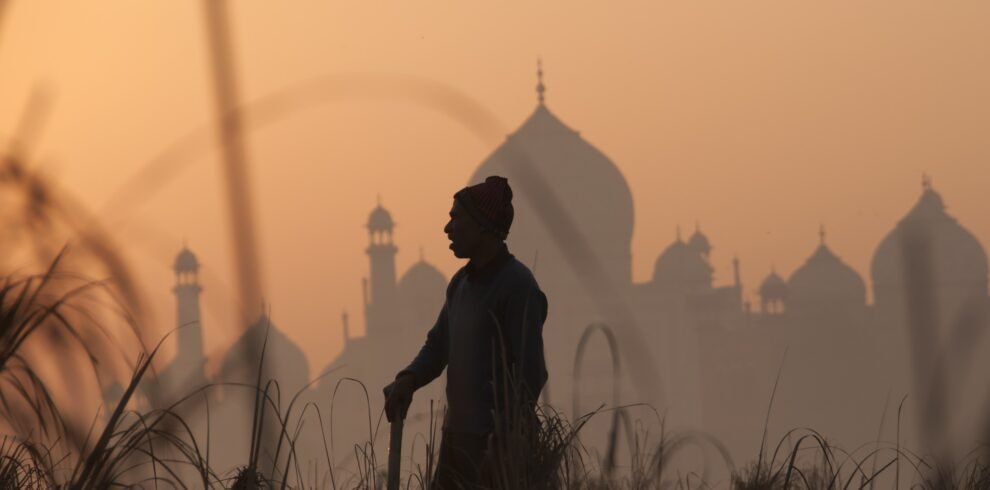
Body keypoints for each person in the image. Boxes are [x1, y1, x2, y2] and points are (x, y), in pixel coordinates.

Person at [383, 175, 548, 489]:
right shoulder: (461, 284)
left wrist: (503, 443)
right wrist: (409, 378)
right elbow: (439, 345)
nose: (448, 228)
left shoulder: (516, 287)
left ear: (483, 225)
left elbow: (531, 374)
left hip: (497, 447)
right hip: (456, 443)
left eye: (456, 218)